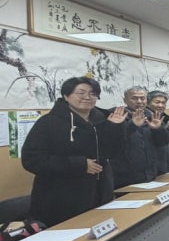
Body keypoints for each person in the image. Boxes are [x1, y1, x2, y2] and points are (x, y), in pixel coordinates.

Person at [21, 77, 127, 227]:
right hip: (60, 199)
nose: (87, 97)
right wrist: (79, 164)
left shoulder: (102, 120)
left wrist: (115, 127)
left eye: (92, 93)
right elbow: (32, 160)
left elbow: (112, 153)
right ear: (66, 96)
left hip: (100, 194)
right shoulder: (48, 123)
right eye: (81, 93)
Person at [111, 86, 168, 188]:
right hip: (126, 177)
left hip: (152, 174)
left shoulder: (152, 116)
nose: (139, 101)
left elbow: (163, 143)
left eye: (142, 98)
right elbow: (113, 141)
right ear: (125, 100)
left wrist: (158, 129)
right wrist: (132, 125)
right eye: (134, 98)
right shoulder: (116, 116)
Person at [147, 90, 169, 175]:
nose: (160, 105)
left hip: (168, 162)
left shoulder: (166, 119)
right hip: (154, 167)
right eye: (157, 102)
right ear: (148, 103)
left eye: (163, 103)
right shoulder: (145, 119)